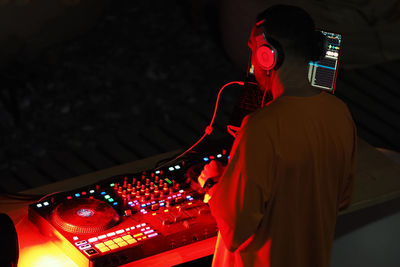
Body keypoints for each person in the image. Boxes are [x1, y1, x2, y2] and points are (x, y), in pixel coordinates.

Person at [197, 4, 357, 267]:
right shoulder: (340, 112)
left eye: (252, 49)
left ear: (267, 56)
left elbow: (237, 226)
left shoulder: (261, 126)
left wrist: (214, 183)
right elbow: (342, 197)